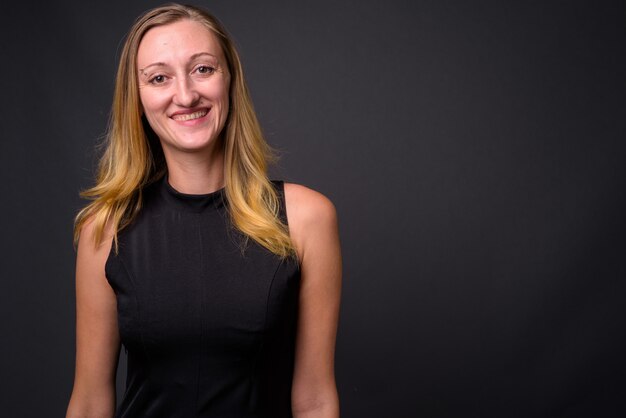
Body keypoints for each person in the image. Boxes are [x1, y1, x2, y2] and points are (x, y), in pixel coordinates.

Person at [65, 4, 341, 418]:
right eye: (159, 78)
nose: (185, 95)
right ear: (138, 101)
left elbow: (316, 401)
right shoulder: (105, 230)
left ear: (230, 79)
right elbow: (89, 403)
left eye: (203, 69)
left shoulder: (307, 219)